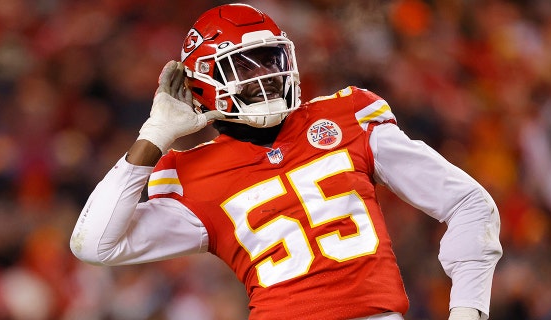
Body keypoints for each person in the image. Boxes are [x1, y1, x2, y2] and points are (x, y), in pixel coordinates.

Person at [70, 3, 502, 320]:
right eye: (243, 66)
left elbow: (469, 204)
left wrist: (467, 309)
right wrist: (154, 135)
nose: (266, 77)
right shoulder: (191, 173)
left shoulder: (346, 116)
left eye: (271, 61)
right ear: (204, 82)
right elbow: (94, 244)